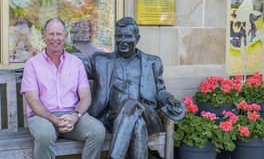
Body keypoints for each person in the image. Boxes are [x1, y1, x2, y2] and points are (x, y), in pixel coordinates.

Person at [83, 17, 185, 159]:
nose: (123, 40)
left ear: (137, 38)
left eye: (128, 36)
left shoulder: (152, 62)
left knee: (132, 105)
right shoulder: (101, 61)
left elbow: (161, 92)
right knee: (137, 125)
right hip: (113, 120)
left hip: (149, 117)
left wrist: (170, 99)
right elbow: (71, 66)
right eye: (119, 36)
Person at [20, 18, 105, 159]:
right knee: (44, 136)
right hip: (43, 117)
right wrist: (53, 119)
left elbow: (85, 97)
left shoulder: (76, 63)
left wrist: (75, 116)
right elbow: (32, 100)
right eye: (51, 34)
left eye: (59, 34)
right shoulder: (32, 64)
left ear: (65, 36)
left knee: (98, 131)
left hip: (71, 115)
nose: (55, 38)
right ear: (44, 36)